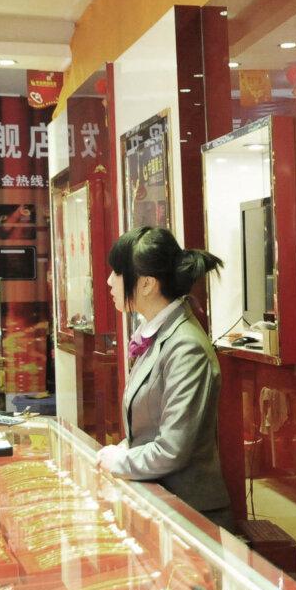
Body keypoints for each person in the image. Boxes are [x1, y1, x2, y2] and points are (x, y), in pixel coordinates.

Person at [96, 226, 236, 533]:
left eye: (117, 273)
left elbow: (173, 447)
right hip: (162, 507)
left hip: (190, 516)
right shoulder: (159, 334)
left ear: (146, 284)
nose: (109, 281)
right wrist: (123, 449)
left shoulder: (185, 346)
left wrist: (120, 461)